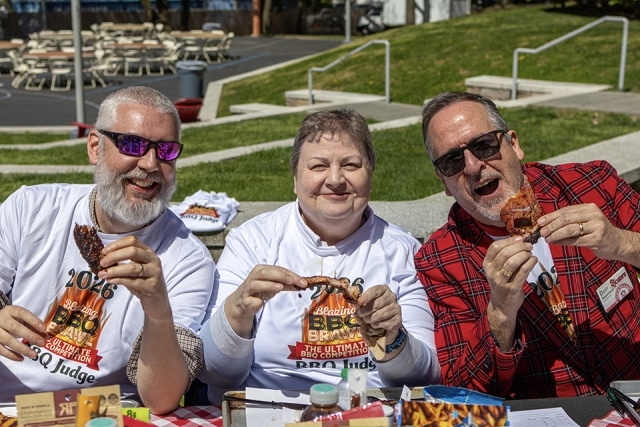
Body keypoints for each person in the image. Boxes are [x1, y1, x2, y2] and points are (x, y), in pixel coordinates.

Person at [199, 108, 441, 404]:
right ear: (295, 179)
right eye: (318, 166)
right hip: (266, 409)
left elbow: (423, 379)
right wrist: (237, 311)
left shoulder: (402, 251)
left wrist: (394, 338)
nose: (336, 179)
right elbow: (213, 374)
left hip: (368, 411)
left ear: (371, 177)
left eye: (351, 165)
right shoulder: (253, 241)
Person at [0, 86, 215, 413]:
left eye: (166, 150)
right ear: (95, 148)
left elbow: (162, 400)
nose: (150, 163)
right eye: (132, 144)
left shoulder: (187, 259)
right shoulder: (31, 208)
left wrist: (157, 308)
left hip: (100, 413)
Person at [414, 91, 640, 399]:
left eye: (483, 145)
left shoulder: (592, 184)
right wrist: (500, 312)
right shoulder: (441, 259)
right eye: (452, 161)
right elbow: (463, 393)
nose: (472, 166)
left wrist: (621, 242)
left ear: (514, 144)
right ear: (443, 181)